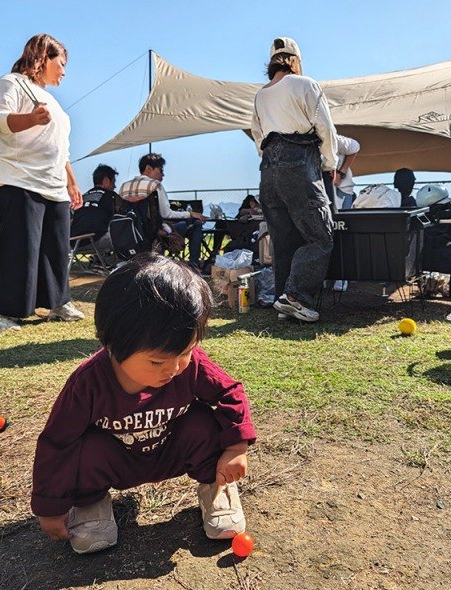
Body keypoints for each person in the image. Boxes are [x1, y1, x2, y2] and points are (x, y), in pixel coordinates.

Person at [31, 254, 257, 554]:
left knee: (202, 423)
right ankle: (91, 508)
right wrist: (50, 507)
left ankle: (217, 490)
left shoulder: (191, 366)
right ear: (111, 344)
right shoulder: (88, 384)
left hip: (171, 449)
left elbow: (230, 393)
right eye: (157, 361)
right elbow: (57, 443)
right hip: (118, 459)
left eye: (186, 352)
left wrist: (235, 449)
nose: (174, 368)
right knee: (86, 447)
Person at [0, 33, 84, 333]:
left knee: (56, 246)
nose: (64, 71)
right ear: (42, 58)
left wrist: (72, 183)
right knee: (19, 246)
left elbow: (61, 148)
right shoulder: (11, 83)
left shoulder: (54, 101)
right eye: (60, 63)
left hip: (53, 184)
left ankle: (57, 302)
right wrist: (30, 119)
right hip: (18, 177)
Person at [251, 37, 338, 323]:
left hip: (268, 170)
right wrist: (330, 163)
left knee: (283, 239)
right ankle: (296, 297)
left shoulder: (260, 96)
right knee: (319, 235)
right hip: (299, 162)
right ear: (295, 61)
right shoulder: (305, 84)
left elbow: (258, 137)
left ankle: (282, 302)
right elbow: (324, 126)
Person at [119, 153, 207, 269]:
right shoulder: (155, 185)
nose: (163, 174)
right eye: (160, 170)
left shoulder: (124, 186)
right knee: (196, 224)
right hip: (154, 234)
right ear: (148, 168)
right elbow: (166, 213)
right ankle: (194, 266)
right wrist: (190, 213)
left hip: (129, 234)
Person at [70, 164, 121, 258]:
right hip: (96, 241)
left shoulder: (81, 198)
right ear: (106, 180)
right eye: (113, 182)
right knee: (124, 230)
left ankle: (99, 259)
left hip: (73, 243)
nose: (115, 186)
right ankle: (122, 263)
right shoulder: (111, 196)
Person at [333, 134, 360, 210]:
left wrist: (340, 173)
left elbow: (355, 147)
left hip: (342, 189)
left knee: (344, 220)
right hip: (318, 190)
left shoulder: (334, 140)